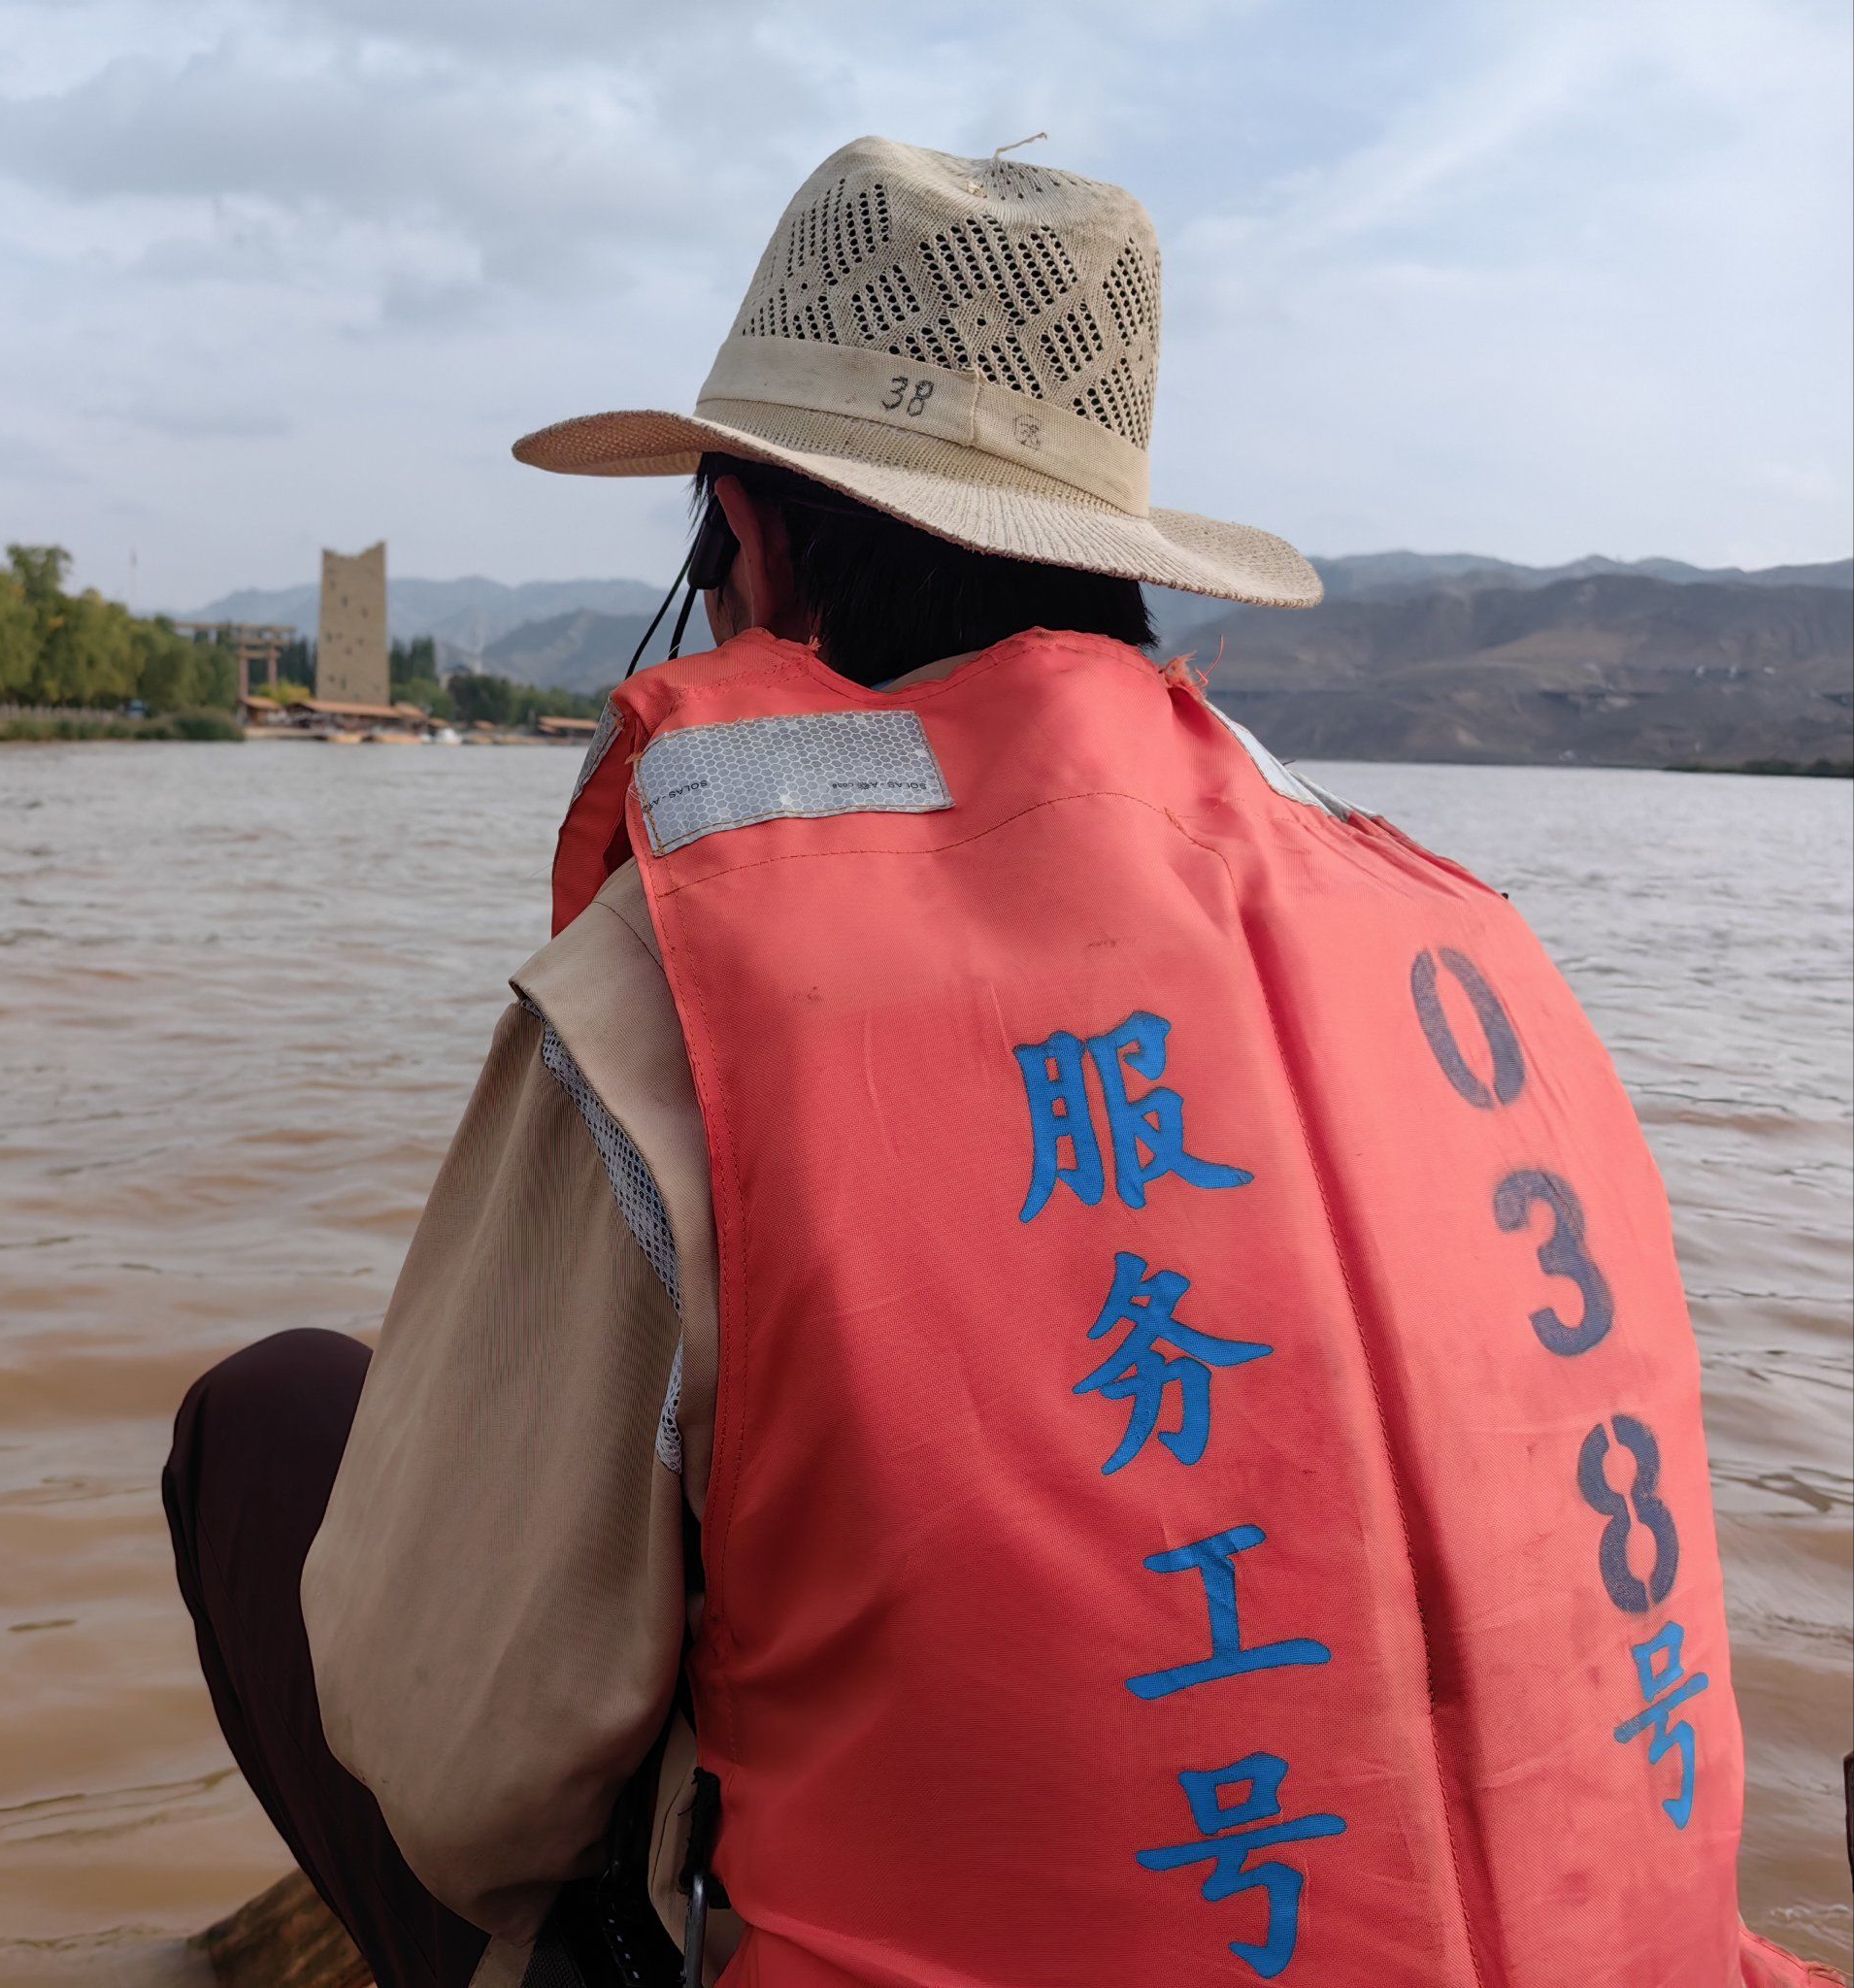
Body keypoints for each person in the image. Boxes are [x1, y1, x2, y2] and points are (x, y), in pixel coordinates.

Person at [164, 137, 1837, 1988]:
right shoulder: (1476, 948)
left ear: (752, 540)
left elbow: (458, 1767)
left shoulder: (685, 971)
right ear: (1119, 571)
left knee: (273, 1419)